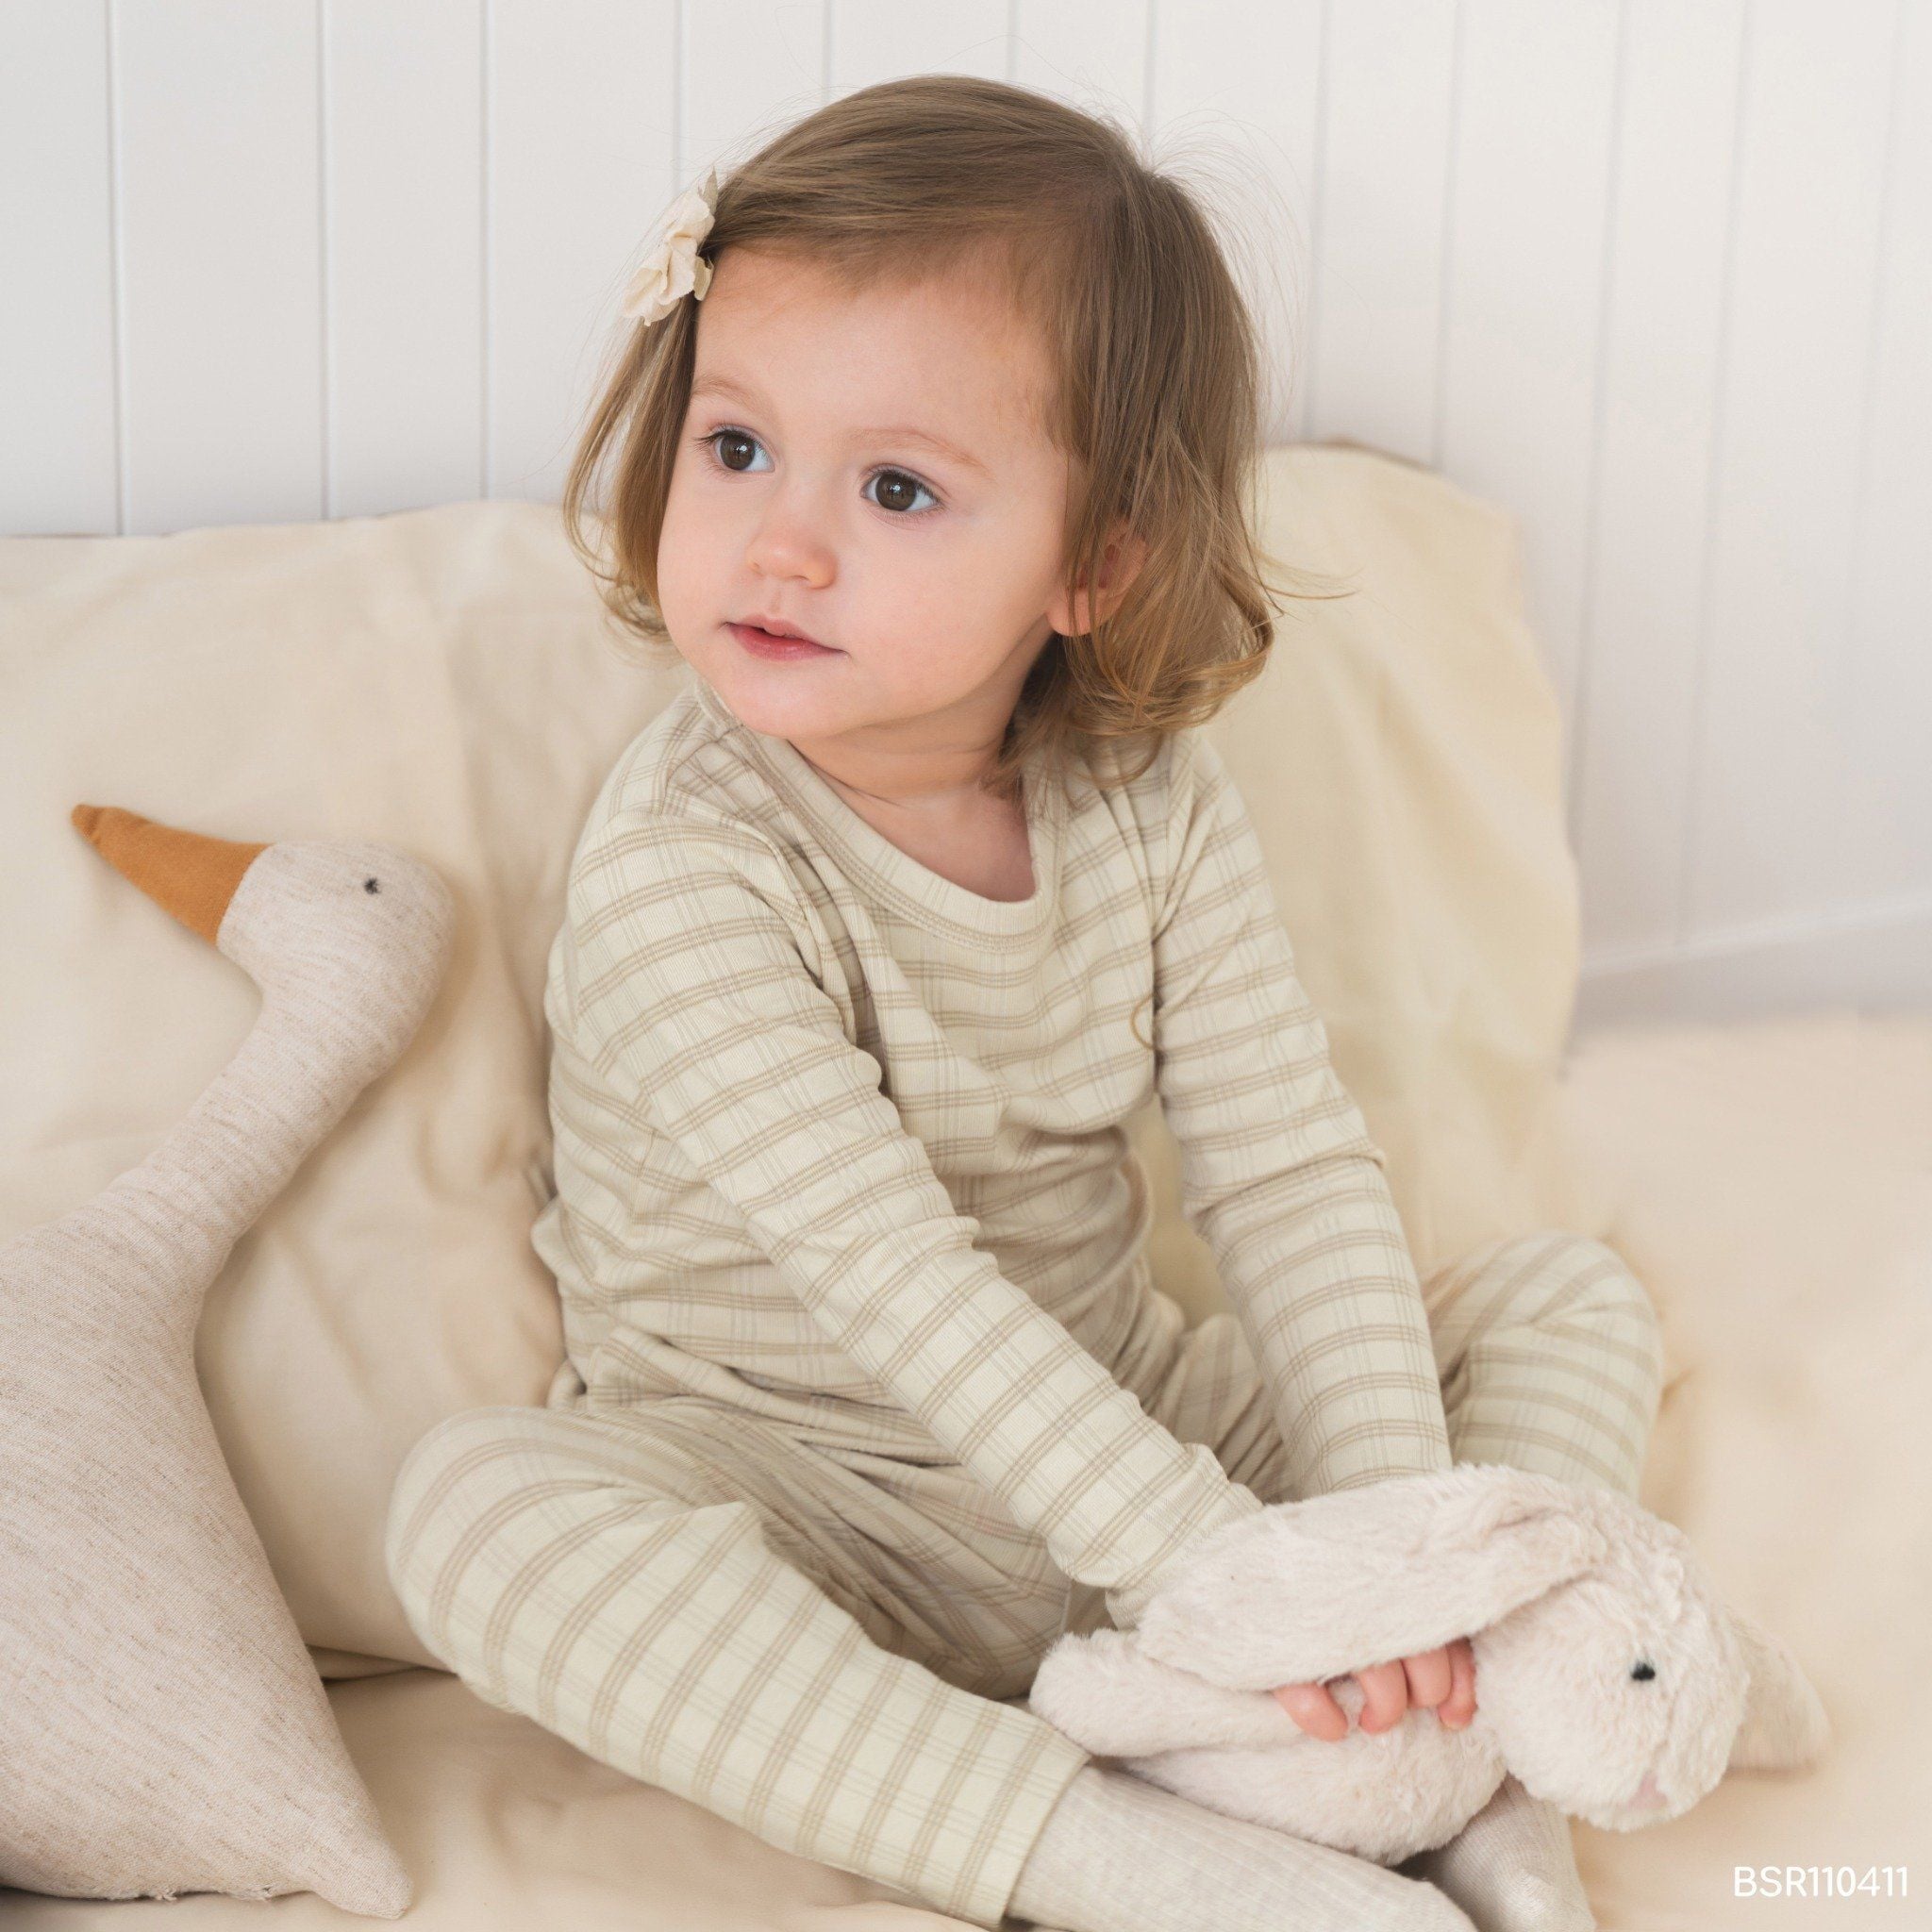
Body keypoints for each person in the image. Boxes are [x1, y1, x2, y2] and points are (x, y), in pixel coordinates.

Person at [385, 75, 1663, 1932]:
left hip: (1121, 1403)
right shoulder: (683, 867)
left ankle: (1469, 1769)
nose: (780, 543)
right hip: (806, 1494)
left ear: (1093, 565)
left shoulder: (1144, 800)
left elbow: (1287, 1173)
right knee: (479, 1516)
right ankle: (1125, 1854)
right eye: (735, 447)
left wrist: (1383, 1556)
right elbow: (896, 1280)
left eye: (895, 488)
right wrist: (1215, 1570)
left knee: (1562, 1293)